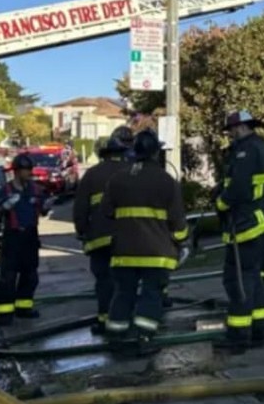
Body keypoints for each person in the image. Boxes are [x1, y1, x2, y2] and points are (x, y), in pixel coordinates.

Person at [101, 129, 189, 348]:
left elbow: (106, 211)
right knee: (151, 294)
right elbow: (177, 221)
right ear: (155, 153)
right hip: (156, 254)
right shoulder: (166, 181)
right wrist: (182, 240)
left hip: (123, 253)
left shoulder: (118, 178)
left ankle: (116, 335)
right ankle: (144, 337)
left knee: (123, 293)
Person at [213, 109, 264, 351]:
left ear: (240, 127)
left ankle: (238, 335)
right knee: (254, 278)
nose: (230, 135)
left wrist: (222, 202)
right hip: (256, 221)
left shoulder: (245, 151)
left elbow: (239, 186)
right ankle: (261, 327)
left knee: (237, 279)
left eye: (231, 130)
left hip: (246, 223)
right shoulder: (259, 147)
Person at [73, 131, 133, 334]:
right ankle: (125, 320)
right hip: (127, 237)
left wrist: (82, 231)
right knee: (125, 281)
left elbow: (80, 208)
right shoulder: (131, 171)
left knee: (104, 281)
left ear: (103, 154)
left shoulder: (91, 174)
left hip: (99, 239)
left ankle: (104, 320)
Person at [0, 153, 55, 325]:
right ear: (17, 171)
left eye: (30, 170)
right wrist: (5, 206)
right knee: (8, 278)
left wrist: (46, 206)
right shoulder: (5, 190)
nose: (29, 173)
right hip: (12, 237)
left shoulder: (35, 190)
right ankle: (4, 314)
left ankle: (24, 308)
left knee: (30, 276)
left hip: (30, 237)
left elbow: (42, 210)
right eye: (26, 170)